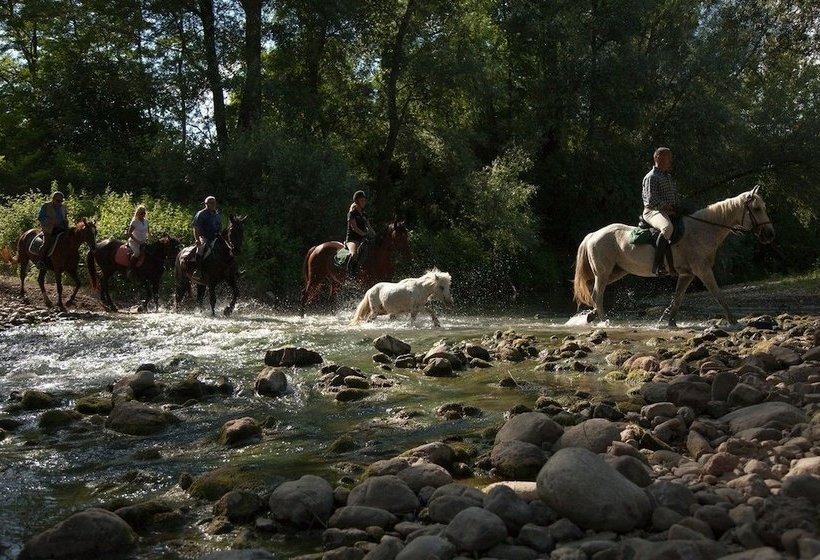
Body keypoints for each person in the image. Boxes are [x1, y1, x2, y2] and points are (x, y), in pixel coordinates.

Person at [642, 147, 680, 276]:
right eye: (668, 157)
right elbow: (651, 200)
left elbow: (674, 196)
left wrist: (678, 206)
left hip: (668, 212)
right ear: (658, 157)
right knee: (667, 228)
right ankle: (657, 265)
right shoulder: (651, 177)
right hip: (652, 212)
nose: (671, 160)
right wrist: (667, 207)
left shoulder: (668, 177)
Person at [190, 195, 221, 280]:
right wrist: (197, 239)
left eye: (214, 203)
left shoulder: (217, 214)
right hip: (204, 237)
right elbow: (196, 227)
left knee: (228, 248)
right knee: (201, 249)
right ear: (206, 204)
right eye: (211, 203)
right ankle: (198, 270)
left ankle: (233, 270)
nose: (213, 204)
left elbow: (219, 227)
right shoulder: (201, 214)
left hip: (215, 237)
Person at [345, 190, 374, 278]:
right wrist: (364, 234)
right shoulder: (351, 214)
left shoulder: (364, 214)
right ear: (357, 201)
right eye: (362, 200)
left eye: (365, 200)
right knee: (354, 254)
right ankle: (349, 275)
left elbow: (369, 227)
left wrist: (375, 234)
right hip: (352, 240)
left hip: (362, 239)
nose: (364, 202)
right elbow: (354, 228)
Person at [36, 191, 69, 270]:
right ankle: (40, 261)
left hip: (61, 228)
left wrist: (66, 224)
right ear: (53, 199)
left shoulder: (63, 207)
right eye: (58, 201)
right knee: (46, 243)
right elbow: (40, 217)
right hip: (49, 229)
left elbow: (65, 217)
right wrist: (51, 221)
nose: (60, 203)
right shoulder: (46, 206)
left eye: (61, 201)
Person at [126, 205, 149, 276]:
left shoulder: (146, 221)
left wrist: (149, 238)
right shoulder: (134, 222)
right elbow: (129, 233)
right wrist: (137, 241)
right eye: (141, 213)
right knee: (137, 253)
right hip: (134, 242)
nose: (143, 215)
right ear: (138, 213)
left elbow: (147, 231)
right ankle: (130, 269)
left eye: (144, 213)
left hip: (143, 241)